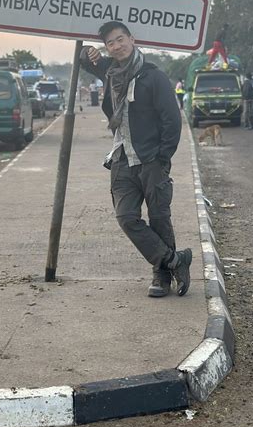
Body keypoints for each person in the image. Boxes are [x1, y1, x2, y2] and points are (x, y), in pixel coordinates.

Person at [80, 21, 191, 299]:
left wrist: (162, 158)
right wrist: (88, 52)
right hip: (120, 156)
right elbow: (83, 60)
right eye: (110, 43)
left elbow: (172, 120)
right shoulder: (110, 70)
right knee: (126, 217)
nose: (116, 46)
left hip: (151, 159)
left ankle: (161, 276)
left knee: (159, 218)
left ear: (132, 39)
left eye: (120, 39)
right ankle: (175, 260)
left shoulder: (152, 76)